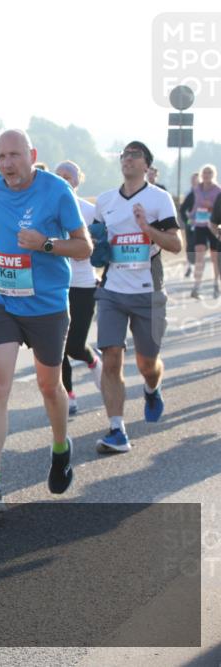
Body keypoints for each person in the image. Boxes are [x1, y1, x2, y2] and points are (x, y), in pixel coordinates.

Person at [0, 130, 92, 514]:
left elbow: (85, 246)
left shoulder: (57, 191)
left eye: (14, 156)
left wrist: (46, 244)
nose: (7, 164)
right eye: (1, 156)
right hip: (3, 300)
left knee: (48, 386)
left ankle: (60, 447)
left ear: (31, 154)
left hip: (48, 306)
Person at [93, 141, 182, 453]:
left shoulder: (159, 199)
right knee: (111, 357)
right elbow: (96, 242)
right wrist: (96, 246)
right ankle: (117, 429)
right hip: (112, 291)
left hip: (149, 291)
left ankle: (151, 388)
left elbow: (175, 244)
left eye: (135, 155)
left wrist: (146, 228)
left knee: (147, 362)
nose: (128, 159)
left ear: (147, 165)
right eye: (124, 155)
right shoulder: (105, 201)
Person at [53, 161, 103, 415]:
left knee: (74, 345)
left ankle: (93, 361)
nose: (63, 180)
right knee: (56, 346)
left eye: (68, 176)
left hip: (83, 284)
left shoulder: (90, 211)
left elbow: (106, 243)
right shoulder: (46, 209)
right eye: (58, 176)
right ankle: (69, 395)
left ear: (77, 181)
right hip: (55, 285)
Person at [189, 164, 221, 299]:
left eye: (209, 172)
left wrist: (211, 206)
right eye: (205, 172)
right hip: (200, 225)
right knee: (199, 255)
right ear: (202, 174)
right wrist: (191, 217)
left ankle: (216, 284)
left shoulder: (218, 190)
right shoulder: (197, 189)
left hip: (213, 226)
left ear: (213, 174)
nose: (207, 175)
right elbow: (195, 205)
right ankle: (196, 287)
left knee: (215, 258)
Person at [179, 172, 200, 277]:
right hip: (191, 224)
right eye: (193, 179)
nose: (195, 181)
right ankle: (190, 267)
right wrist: (187, 221)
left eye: (197, 179)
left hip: (204, 224)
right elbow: (182, 210)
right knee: (190, 246)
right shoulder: (189, 194)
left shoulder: (207, 193)